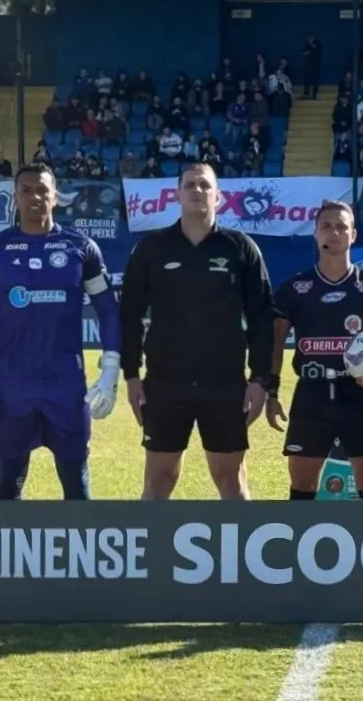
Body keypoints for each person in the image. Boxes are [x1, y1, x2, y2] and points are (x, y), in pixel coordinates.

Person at [0, 163, 122, 500]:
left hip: (67, 387)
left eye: (43, 190)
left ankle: (82, 552)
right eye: (26, 190)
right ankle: (6, 554)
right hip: (12, 387)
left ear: (56, 196)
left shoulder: (81, 248)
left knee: (77, 487)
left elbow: (108, 311)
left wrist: (110, 373)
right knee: (8, 487)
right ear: (15, 197)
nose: (35, 196)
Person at [120, 162, 274, 500]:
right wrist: (131, 375)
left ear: (218, 197)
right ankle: (151, 552)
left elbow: (262, 317)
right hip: (164, 383)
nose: (197, 190)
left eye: (205, 185)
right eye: (189, 184)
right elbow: (129, 314)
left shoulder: (240, 248)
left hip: (224, 384)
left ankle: (242, 553)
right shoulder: (152, 248)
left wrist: (260, 379)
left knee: (231, 481)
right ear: (176, 194)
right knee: (158, 481)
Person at [267, 200, 363, 500]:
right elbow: (275, 341)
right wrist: (272, 391)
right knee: (301, 486)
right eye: (326, 227)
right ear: (315, 235)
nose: (334, 232)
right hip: (312, 394)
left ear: (353, 235)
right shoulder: (296, 288)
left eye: (342, 226)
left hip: (360, 395)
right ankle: (299, 545)